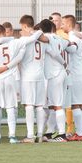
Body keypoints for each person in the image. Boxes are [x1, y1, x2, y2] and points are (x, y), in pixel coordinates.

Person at [61, 15, 82, 141]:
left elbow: (73, 48)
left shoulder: (72, 36)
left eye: (63, 23)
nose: (62, 26)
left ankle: (80, 134)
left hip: (77, 76)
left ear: (69, 25)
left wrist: (63, 45)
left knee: (75, 105)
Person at [17, 15, 48, 143]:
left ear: (25, 26)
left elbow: (18, 58)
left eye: (21, 27)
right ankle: (40, 134)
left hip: (28, 77)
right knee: (40, 105)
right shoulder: (42, 39)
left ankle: (30, 135)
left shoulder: (24, 40)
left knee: (29, 105)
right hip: (40, 75)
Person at [40, 19, 69, 142]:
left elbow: (54, 53)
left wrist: (64, 63)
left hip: (55, 74)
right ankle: (50, 132)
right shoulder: (59, 38)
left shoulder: (47, 37)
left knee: (57, 105)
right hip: (58, 74)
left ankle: (62, 134)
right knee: (53, 105)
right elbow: (67, 43)